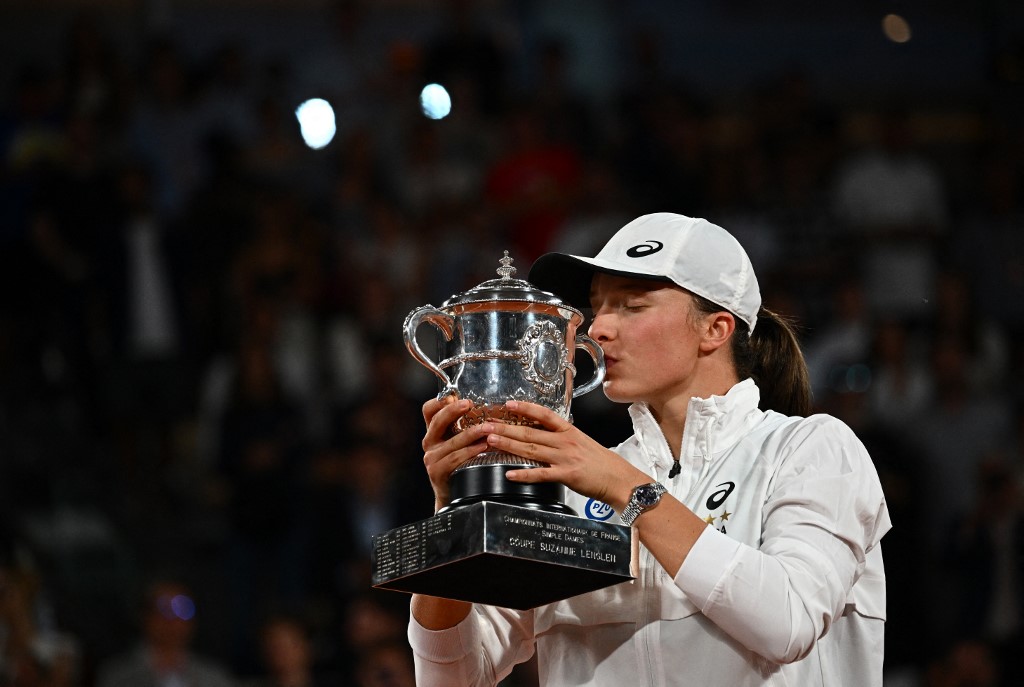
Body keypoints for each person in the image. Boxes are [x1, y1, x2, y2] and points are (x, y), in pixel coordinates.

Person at [407, 212, 891, 686]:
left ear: (715, 329)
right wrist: (453, 521)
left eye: (632, 305)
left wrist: (624, 485)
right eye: (597, 309)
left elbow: (788, 621)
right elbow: (453, 677)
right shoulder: (572, 490)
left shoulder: (810, 449)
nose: (597, 330)